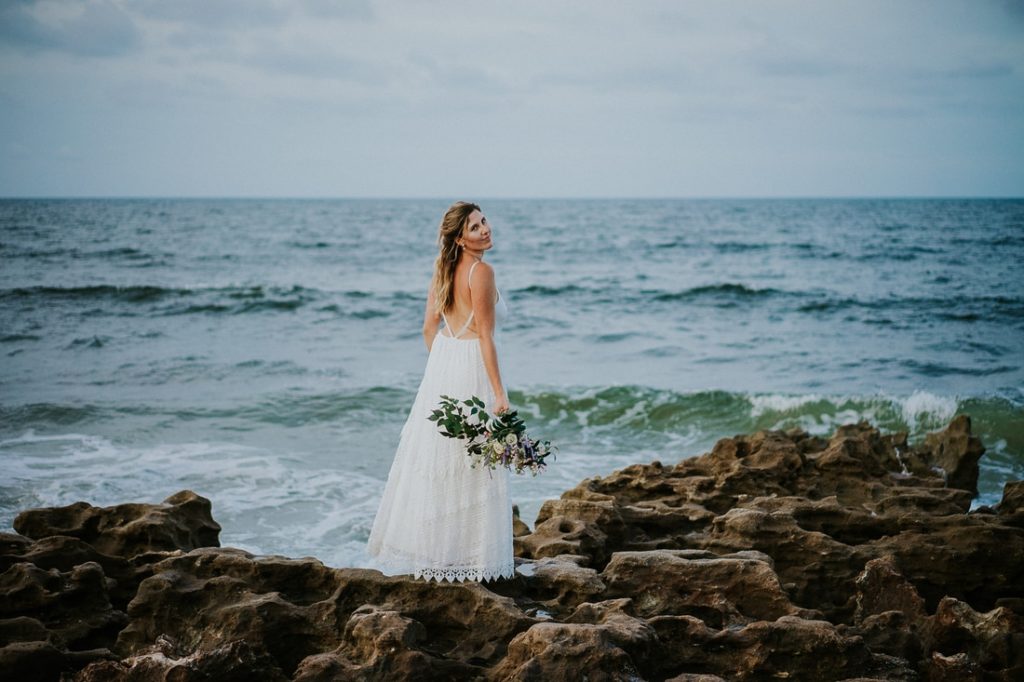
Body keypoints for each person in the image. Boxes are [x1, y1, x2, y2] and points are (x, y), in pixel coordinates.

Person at [366, 201, 514, 582]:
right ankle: (470, 559)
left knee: (445, 458)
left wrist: (444, 366)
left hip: (445, 366)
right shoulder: (481, 272)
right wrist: (499, 393)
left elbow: (428, 330)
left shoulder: (443, 271)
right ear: (461, 239)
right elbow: (485, 337)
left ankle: (443, 555)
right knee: (473, 462)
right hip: (470, 365)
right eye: (475, 227)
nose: (485, 229)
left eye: (484, 221)